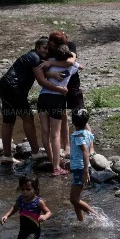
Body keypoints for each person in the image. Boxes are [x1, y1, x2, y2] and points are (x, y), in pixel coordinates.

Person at [0, 38, 68, 164]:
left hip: (4, 86)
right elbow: (41, 81)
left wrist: (51, 74)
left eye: (48, 49)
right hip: (14, 88)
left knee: (8, 120)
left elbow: (43, 72)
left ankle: (7, 155)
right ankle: (35, 152)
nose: (46, 51)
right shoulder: (34, 57)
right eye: (44, 48)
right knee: (28, 117)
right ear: (37, 47)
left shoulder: (33, 57)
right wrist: (59, 89)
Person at [40, 30, 89, 158]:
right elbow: (40, 71)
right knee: (62, 116)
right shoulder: (50, 50)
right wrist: (50, 73)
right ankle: (65, 147)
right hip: (58, 89)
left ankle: (90, 148)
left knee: (79, 113)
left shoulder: (70, 46)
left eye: (53, 45)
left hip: (71, 86)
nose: (51, 47)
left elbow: (71, 62)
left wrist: (51, 64)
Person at [37, 44, 79, 175]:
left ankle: (51, 160)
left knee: (45, 131)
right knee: (55, 134)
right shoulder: (72, 66)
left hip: (43, 97)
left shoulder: (48, 65)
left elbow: (43, 73)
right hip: (57, 99)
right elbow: (79, 66)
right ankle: (56, 168)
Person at [0, 175, 52, 239]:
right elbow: (15, 208)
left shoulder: (38, 202)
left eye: (28, 189)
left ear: (35, 190)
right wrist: (6, 215)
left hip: (34, 231)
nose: (25, 192)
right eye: (23, 189)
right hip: (23, 231)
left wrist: (45, 216)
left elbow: (48, 212)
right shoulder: (20, 199)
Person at [69, 109, 97, 221]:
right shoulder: (87, 133)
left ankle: (96, 216)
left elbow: (85, 152)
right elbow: (82, 152)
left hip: (80, 169)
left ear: (73, 122)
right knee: (75, 197)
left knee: (73, 199)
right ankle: (80, 220)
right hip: (79, 167)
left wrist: (85, 171)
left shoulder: (78, 136)